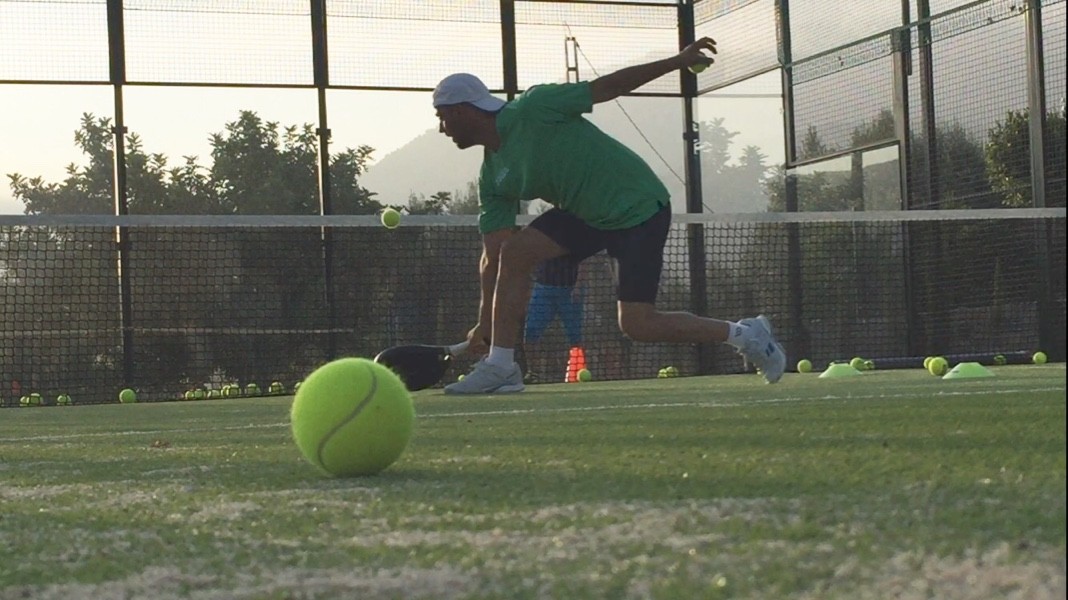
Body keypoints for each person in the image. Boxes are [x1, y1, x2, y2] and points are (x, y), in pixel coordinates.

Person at [434, 37, 786, 395]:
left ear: (461, 111)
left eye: (442, 117)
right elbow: (493, 256)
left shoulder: (535, 106)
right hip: (584, 213)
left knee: (638, 325)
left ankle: (745, 335)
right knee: (515, 252)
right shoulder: (493, 177)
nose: (441, 129)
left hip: (636, 205)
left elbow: (609, 86)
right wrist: (485, 322)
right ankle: (501, 366)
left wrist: (677, 61)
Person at [522, 255, 585, 383]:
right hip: (543, 288)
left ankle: (579, 370)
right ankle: (533, 373)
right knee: (531, 332)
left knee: (575, 336)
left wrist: (578, 285)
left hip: (569, 289)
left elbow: (584, 260)